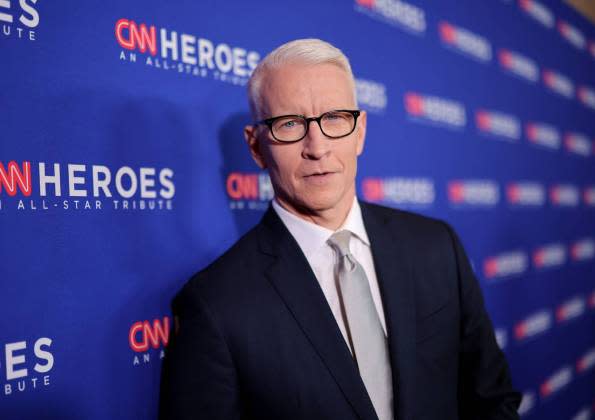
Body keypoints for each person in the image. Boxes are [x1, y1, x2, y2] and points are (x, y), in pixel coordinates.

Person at [160, 38, 522, 420]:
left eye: (334, 118)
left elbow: (492, 401)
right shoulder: (215, 303)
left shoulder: (436, 247)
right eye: (289, 124)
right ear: (256, 147)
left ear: (360, 131)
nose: (317, 147)